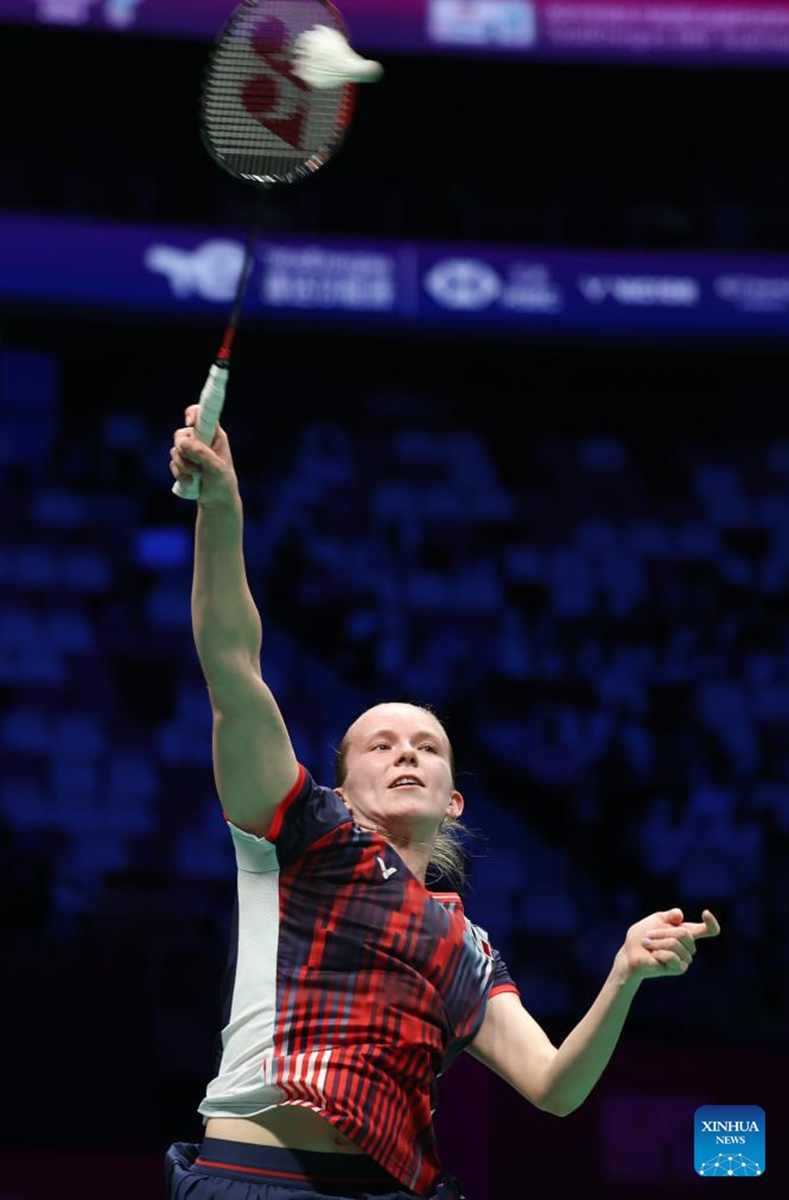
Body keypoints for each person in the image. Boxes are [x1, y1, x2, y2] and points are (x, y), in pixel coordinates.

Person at [165, 406, 722, 1200]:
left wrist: (624, 972)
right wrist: (222, 509)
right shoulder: (296, 839)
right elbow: (230, 662)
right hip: (257, 1180)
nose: (405, 754)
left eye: (425, 747)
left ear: (451, 799)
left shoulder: (464, 946)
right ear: (338, 783)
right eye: (380, 744)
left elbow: (552, 1086)